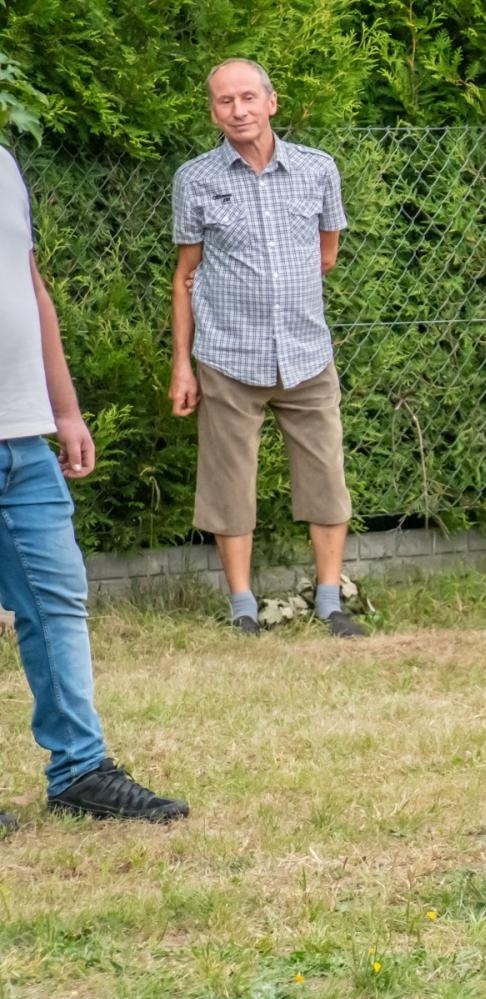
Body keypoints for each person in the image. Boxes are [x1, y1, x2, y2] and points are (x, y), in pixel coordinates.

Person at [0, 145, 189, 828]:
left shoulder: (4, 164)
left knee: (57, 601)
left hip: (22, 437)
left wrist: (65, 409)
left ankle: (79, 769)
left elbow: (31, 290)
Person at [170, 58, 365, 638]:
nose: (239, 110)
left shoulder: (318, 170)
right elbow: (185, 276)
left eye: (249, 98)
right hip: (228, 358)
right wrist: (183, 364)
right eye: (226, 101)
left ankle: (330, 600)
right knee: (230, 484)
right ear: (213, 112)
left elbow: (325, 254)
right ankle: (242, 608)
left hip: (307, 354)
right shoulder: (196, 179)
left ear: (271, 103)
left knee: (326, 474)